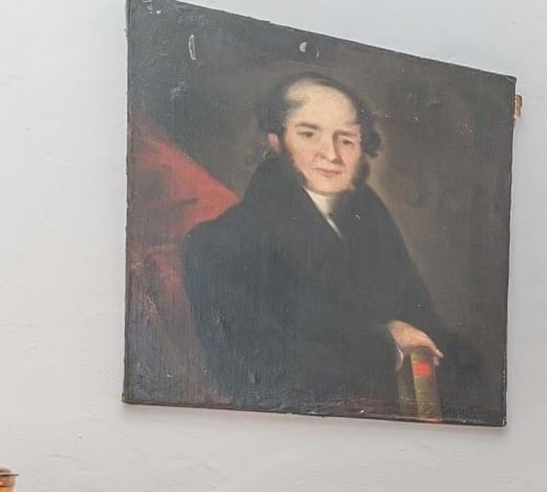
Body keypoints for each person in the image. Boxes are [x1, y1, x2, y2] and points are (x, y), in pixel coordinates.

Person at [182, 72, 460, 419]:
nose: (331, 154)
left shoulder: (370, 218)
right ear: (276, 141)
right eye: (309, 133)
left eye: (346, 139)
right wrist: (386, 343)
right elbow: (263, 374)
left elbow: (423, 325)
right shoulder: (219, 243)